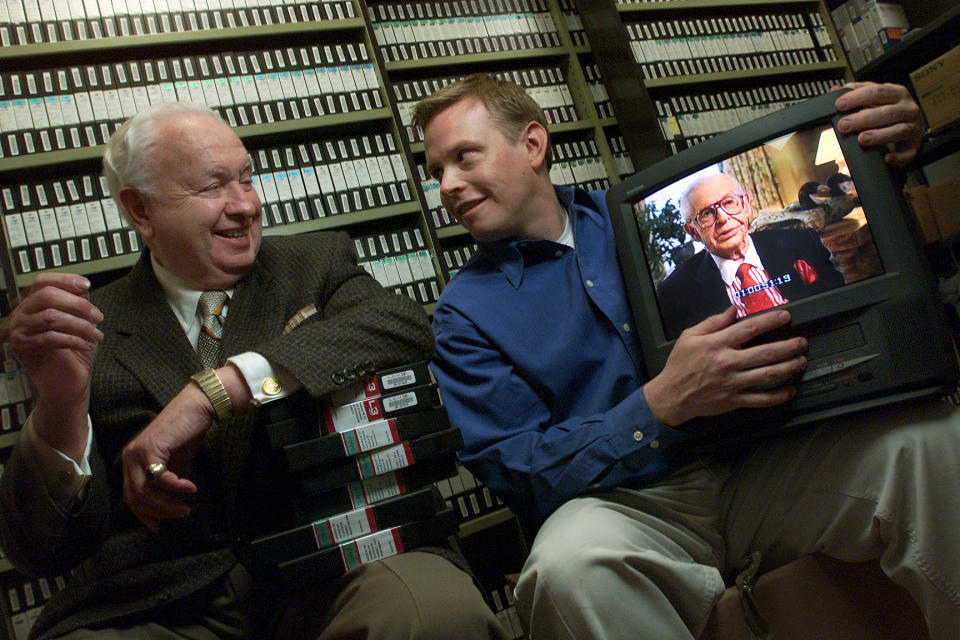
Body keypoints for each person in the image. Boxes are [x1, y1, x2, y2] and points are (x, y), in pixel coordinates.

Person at [415, 73, 960, 640]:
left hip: (760, 460)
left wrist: (883, 156)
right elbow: (518, 472)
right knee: (565, 569)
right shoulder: (464, 316)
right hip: (630, 507)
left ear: (532, 145)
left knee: (934, 443)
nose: (448, 185)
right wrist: (655, 407)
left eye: (464, 158)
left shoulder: (634, 218)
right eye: (436, 172)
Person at [0, 103, 508, 640]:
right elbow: (42, 552)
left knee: (434, 612)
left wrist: (220, 390)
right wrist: (60, 404)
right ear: (140, 210)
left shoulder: (313, 264)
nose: (245, 205)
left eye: (246, 178)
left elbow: (400, 326)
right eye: (213, 186)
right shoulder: (89, 330)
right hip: (168, 605)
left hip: (337, 563)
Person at [656, 173, 846, 338]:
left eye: (729, 202)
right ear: (693, 231)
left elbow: (839, 304)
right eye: (706, 213)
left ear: (746, 205)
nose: (722, 218)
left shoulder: (802, 242)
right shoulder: (675, 292)